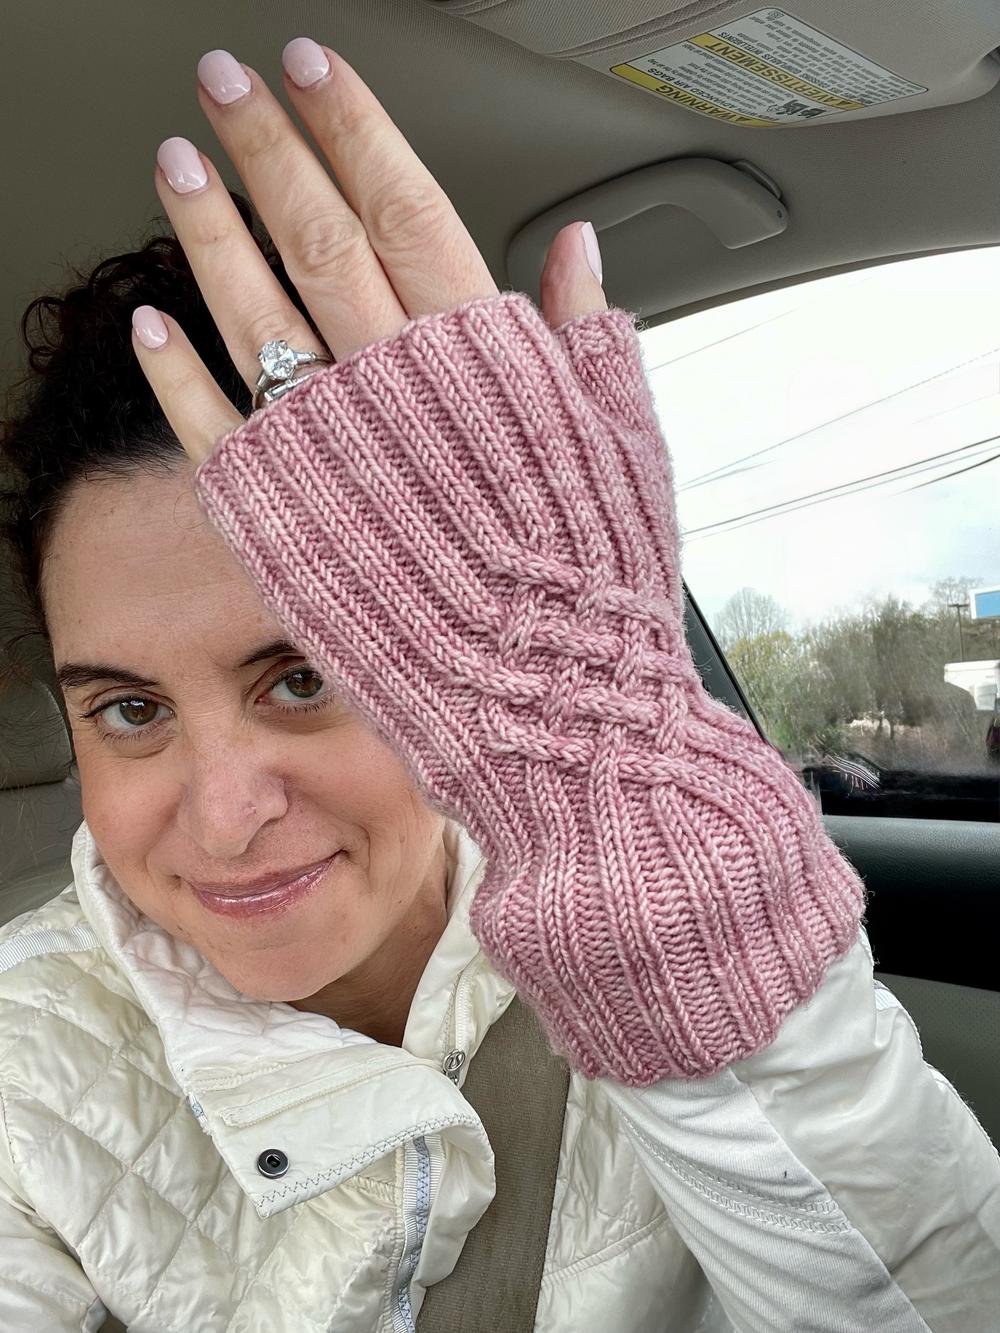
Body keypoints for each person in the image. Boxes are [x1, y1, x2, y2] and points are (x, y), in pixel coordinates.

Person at [0, 38, 997, 1333]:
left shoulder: (681, 912)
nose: (227, 810)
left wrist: (671, 932)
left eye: (307, 672)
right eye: (128, 709)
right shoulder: (25, 1069)